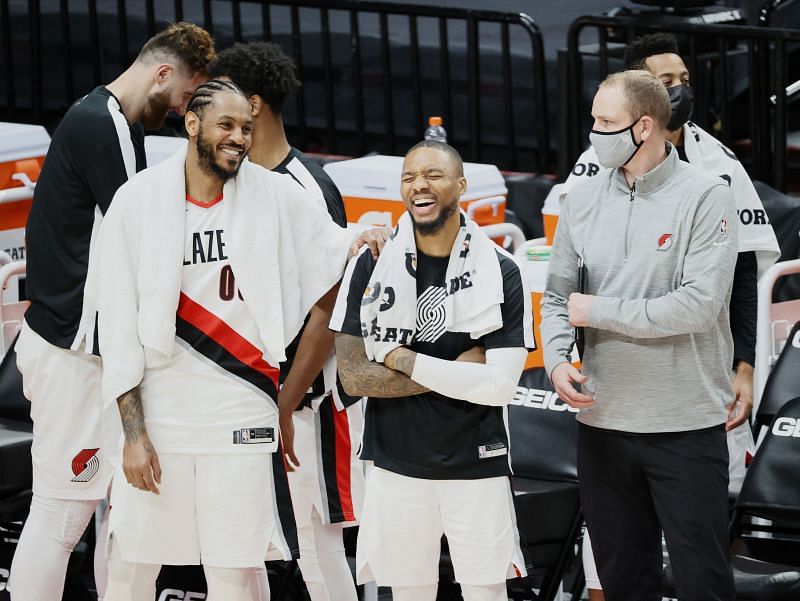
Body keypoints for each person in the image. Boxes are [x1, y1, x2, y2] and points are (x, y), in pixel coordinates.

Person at [94, 80, 358, 601]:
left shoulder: (274, 193)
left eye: (245, 127)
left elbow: (333, 247)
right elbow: (118, 325)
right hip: (161, 409)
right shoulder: (137, 201)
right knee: (132, 564)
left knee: (235, 568)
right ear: (192, 124)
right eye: (226, 125)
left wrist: (367, 237)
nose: (238, 137)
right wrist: (132, 434)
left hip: (241, 407)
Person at [559, 33, 780, 599]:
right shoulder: (582, 194)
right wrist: (559, 356)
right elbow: (559, 295)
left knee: (702, 577)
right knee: (622, 576)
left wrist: (597, 311)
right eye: (592, 120)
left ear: (643, 126)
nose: (594, 133)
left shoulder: (710, 188)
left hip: (683, 423)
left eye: (604, 123)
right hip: (603, 422)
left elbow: (701, 304)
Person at [11, 22, 215, 601]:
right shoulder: (107, 129)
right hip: (72, 355)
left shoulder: (105, 118)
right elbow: (149, 240)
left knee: (123, 516)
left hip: (84, 349)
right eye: (184, 97)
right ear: (163, 73)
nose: (181, 112)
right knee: (61, 514)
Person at [331, 140, 535, 601]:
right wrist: (455, 373)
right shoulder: (371, 262)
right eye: (409, 177)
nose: (419, 185)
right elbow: (355, 377)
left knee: (486, 593)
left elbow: (499, 385)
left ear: (461, 186)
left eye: (434, 175)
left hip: (476, 464)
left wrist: (403, 358)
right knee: (407, 594)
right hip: (395, 463)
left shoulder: (501, 270)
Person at [208, 41, 365, 601]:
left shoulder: (307, 188)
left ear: (252, 105)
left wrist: (286, 401)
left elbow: (329, 311)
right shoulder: (231, 179)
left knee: (316, 553)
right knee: (245, 543)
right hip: (248, 392)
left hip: (305, 401)